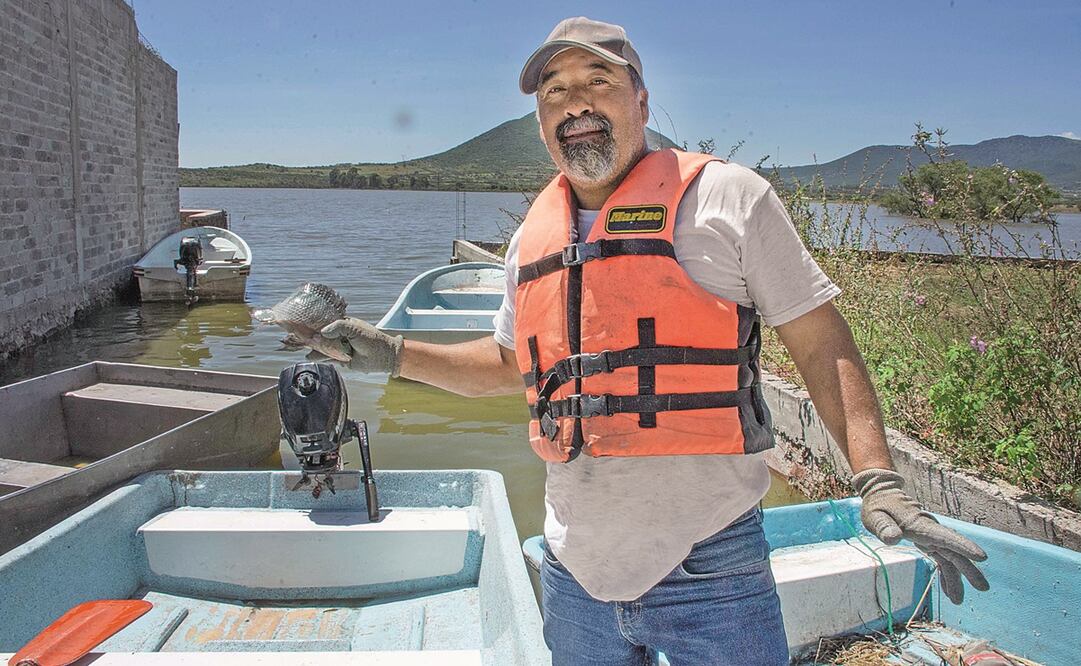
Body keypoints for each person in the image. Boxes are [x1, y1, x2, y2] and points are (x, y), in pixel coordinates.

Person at [319, 16, 989, 665]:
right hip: (574, 564)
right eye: (553, 90)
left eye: (597, 79)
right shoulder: (532, 237)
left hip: (711, 563)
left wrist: (876, 477)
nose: (573, 100)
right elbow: (507, 366)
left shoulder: (730, 199)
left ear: (641, 99)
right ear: (541, 124)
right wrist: (390, 352)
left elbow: (820, 342)